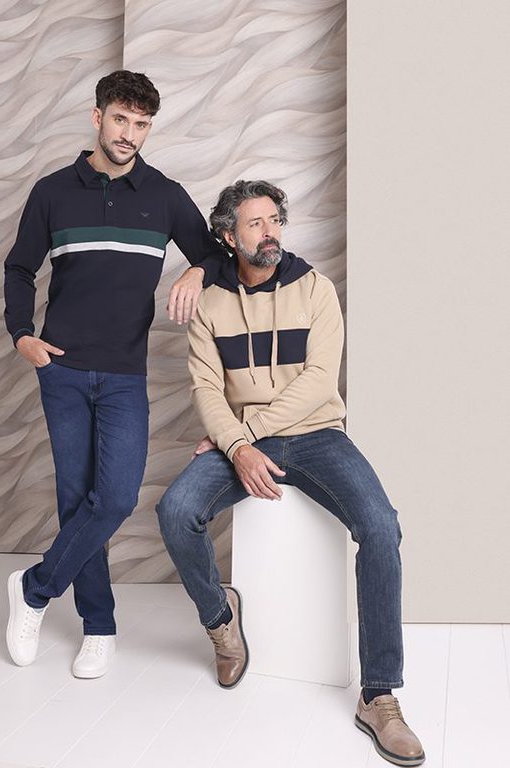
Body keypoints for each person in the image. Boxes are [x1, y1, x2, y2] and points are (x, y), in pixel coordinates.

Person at [156, 180, 425, 766]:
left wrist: (244, 435)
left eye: (274, 220)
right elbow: (205, 389)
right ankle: (221, 621)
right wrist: (236, 444)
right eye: (255, 223)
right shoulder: (209, 304)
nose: (270, 232)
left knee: (382, 527)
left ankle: (379, 696)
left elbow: (320, 381)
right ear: (228, 236)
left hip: (317, 434)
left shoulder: (315, 288)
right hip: (242, 441)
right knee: (175, 511)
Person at [3, 70, 225, 679]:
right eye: (121, 119)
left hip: (126, 372)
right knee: (77, 498)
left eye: (142, 124)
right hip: (62, 368)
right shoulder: (52, 192)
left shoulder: (165, 195)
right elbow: (19, 268)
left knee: (117, 497)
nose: (129, 133)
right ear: (97, 117)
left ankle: (34, 588)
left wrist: (195, 270)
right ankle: (98, 627)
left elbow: (214, 255)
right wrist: (21, 334)